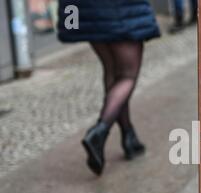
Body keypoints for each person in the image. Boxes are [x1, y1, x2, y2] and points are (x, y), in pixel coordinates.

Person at [57, 0, 160, 176]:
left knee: (112, 71)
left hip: (88, 11)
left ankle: (129, 136)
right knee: (128, 76)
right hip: (120, 11)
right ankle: (99, 132)